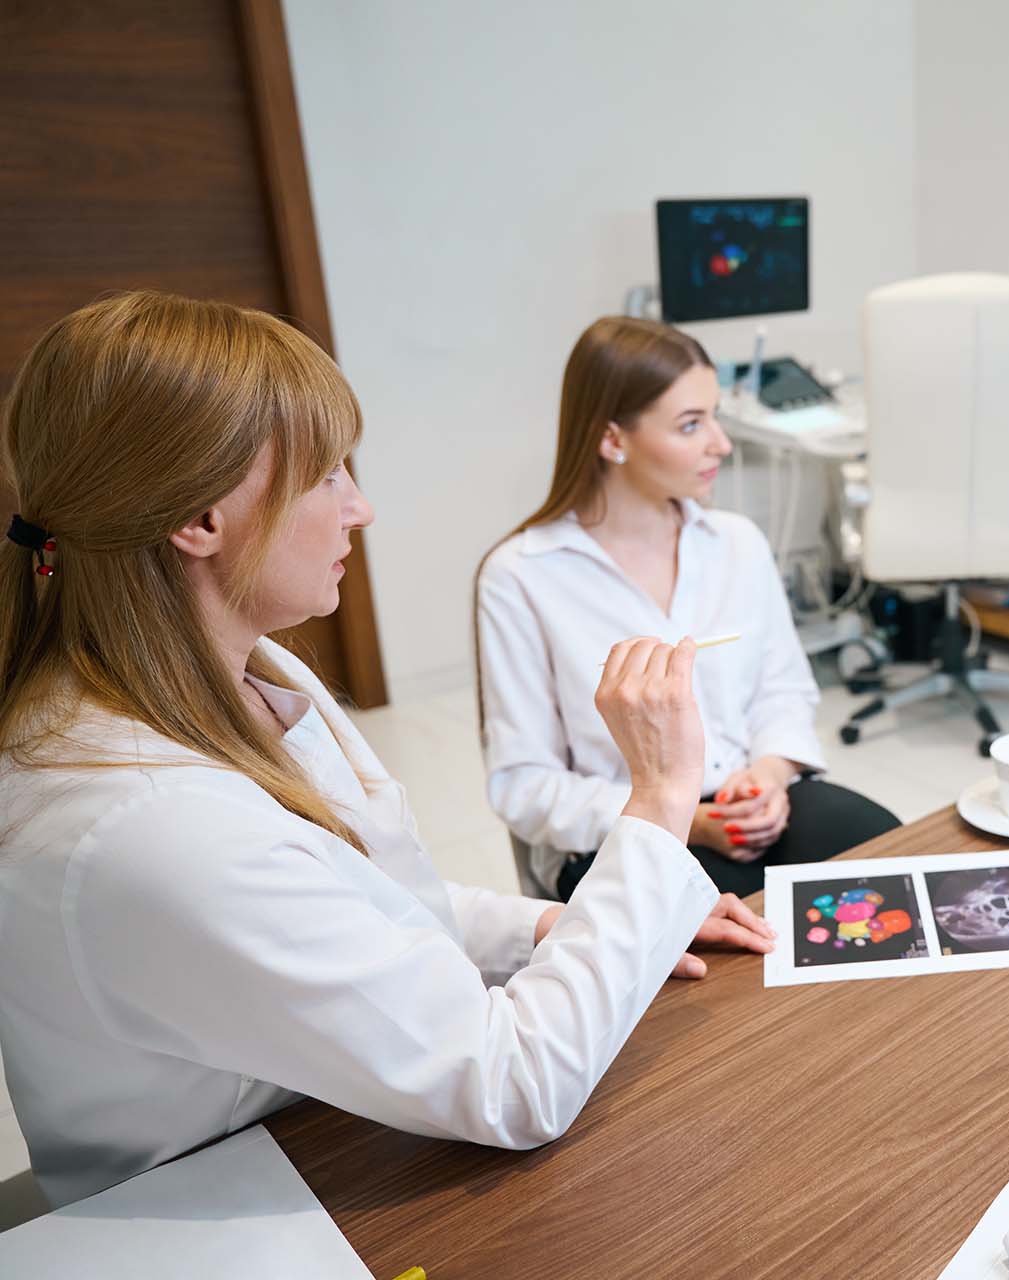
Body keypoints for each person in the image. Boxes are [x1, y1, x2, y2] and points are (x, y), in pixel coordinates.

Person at [0, 292, 772, 1209]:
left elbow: (369, 902)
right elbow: (513, 1087)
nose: (359, 508)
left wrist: (552, 925)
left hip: (325, 1117)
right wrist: (661, 793)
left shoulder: (247, 671)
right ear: (199, 519)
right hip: (233, 1208)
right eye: (326, 474)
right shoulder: (147, 824)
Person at [476, 315, 897, 901]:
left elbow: (783, 691)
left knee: (894, 865)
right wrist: (689, 820)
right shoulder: (522, 577)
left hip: (749, 800)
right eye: (690, 425)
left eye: (715, 416)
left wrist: (770, 777)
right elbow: (525, 787)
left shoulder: (736, 543)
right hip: (623, 836)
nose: (721, 444)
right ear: (612, 439)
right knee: (752, 953)